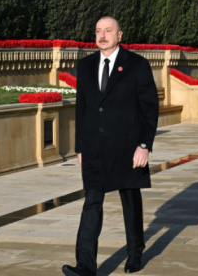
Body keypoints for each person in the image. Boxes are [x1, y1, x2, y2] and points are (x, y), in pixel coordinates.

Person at [62, 17, 159, 276]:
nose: (102, 35)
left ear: (119, 35)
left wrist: (144, 145)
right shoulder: (85, 65)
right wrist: (80, 147)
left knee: (130, 199)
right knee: (92, 202)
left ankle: (135, 252)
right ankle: (85, 264)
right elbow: (82, 108)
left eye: (108, 31)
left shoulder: (137, 65)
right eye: (98, 31)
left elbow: (150, 108)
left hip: (128, 147)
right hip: (94, 147)